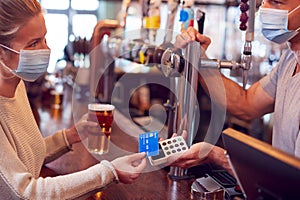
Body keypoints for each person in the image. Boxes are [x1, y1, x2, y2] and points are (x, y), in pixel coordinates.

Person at [0, 0, 146, 199]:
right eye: (33, 43)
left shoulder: (16, 86)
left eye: (44, 38)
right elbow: (25, 193)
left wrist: (68, 136)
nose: (45, 49)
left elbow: (23, 159)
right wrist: (109, 172)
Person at [171, 0, 300, 175]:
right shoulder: (290, 60)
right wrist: (198, 56)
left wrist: (221, 157)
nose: (264, 10)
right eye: (264, 1)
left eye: (276, 2)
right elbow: (245, 104)